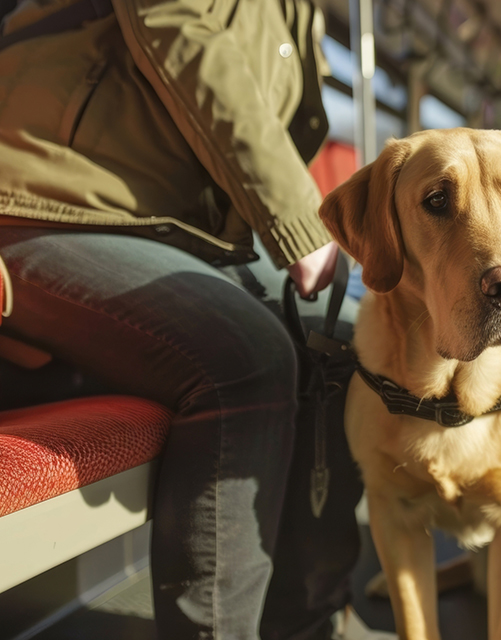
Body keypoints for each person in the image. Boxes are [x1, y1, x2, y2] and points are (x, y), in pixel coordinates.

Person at [0, 0, 359, 637]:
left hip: (176, 230)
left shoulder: (300, 19)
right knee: (246, 357)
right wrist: (295, 218)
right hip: (45, 200)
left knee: (343, 334)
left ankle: (307, 621)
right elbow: (174, 26)